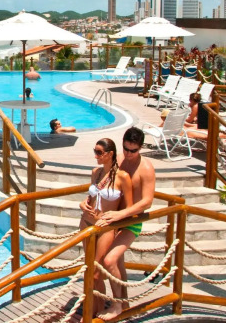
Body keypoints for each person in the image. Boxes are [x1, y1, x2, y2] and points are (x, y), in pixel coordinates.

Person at [89, 127, 155, 321]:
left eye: (133, 150)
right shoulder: (119, 159)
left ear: (140, 148)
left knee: (110, 260)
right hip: (113, 220)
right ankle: (123, 303)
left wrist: (122, 214)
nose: (128, 153)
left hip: (132, 221)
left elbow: (147, 201)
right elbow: (102, 181)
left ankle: (117, 305)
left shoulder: (146, 168)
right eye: (126, 148)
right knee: (117, 263)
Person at [79, 138, 132, 315]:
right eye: (95, 151)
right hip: (86, 223)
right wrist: (83, 203)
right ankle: (95, 310)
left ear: (110, 154)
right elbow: (91, 197)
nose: (96, 156)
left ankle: (102, 309)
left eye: (99, 152)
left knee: (96, 273)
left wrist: (116, 217)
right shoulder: (96, 172)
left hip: (105, 228)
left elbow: (129, 207)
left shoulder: (122, 177)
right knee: (89, 272)